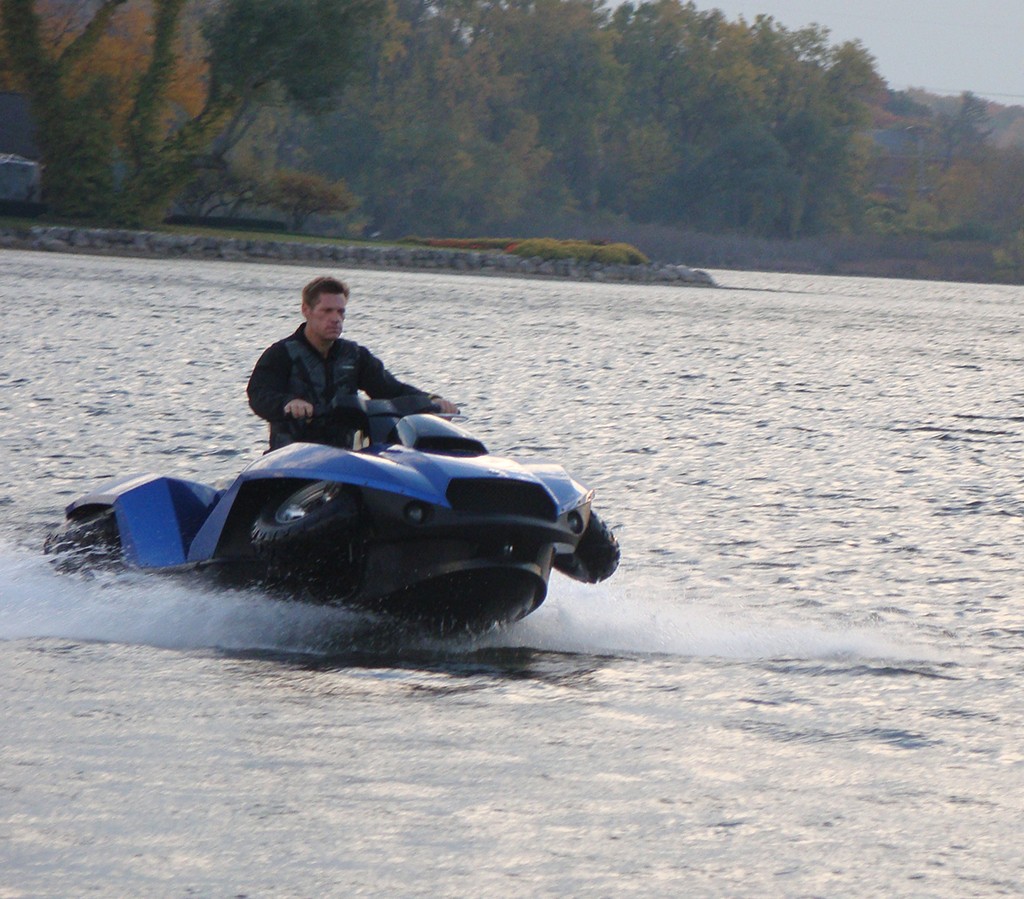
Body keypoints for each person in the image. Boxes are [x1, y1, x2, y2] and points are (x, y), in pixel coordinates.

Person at [247, 275, 458, 450]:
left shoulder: (355, 355)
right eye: (327, 311)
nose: (335, 318)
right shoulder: (281, 353)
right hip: (292, 458)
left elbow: (391, 389)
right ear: (306, 310)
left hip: (344, 459)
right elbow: (258, 394)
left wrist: (431, 401)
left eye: (341, 311)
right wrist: (288, 403)